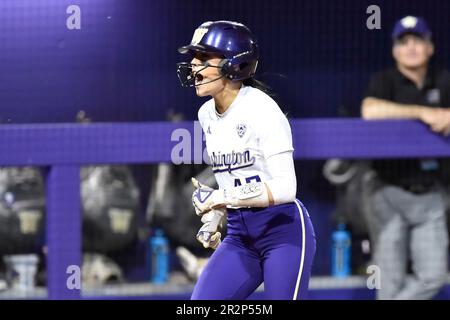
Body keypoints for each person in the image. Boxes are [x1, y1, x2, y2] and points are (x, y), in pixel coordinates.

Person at [176, 20, 316, 300]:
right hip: (240, 235)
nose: (193, 64)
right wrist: (214, 219)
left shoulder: (262, 110)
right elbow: (229, 176)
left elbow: (286, 189)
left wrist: (220, 197)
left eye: (203, 57)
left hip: (282, 232)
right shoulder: (206, 115)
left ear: (233, 64)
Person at [361, 16, 450, 300]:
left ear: (430, 47)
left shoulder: (444, 80)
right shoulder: (384, 81)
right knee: (388, 285)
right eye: (404, 42)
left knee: (434, 277)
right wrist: (422, 112)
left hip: (431, 195)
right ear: (394, 50)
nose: (411, 47)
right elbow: (370, 111)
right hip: (389, 191)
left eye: (418, 41)